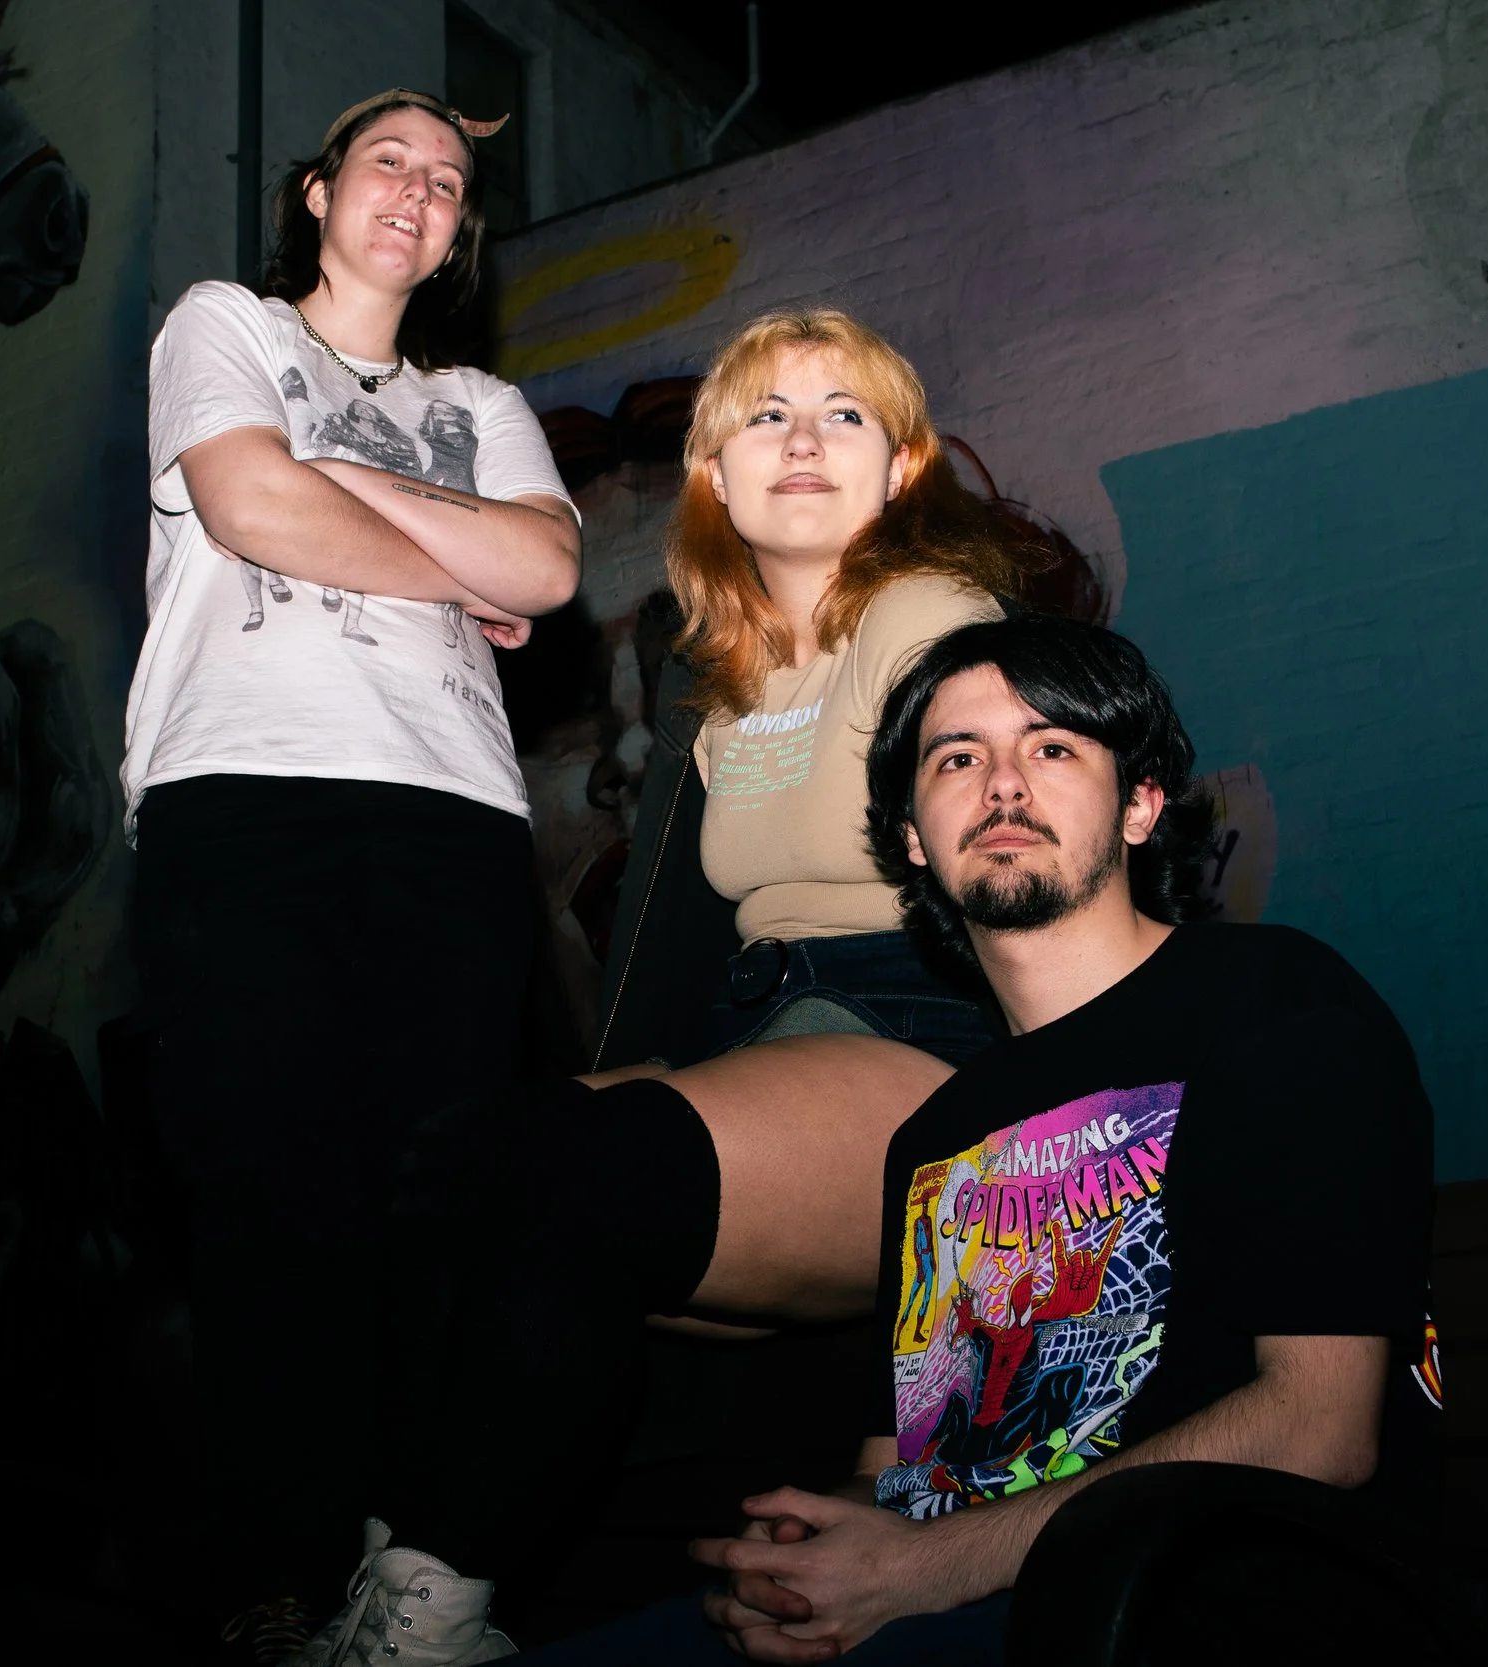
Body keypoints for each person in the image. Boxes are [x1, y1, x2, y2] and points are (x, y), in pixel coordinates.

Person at [283, 310, 1029, 1665]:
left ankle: (428, 1620)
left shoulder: (935, 618)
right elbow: (656, 948)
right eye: (767, 417)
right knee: (448, 1168)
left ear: (901, 469)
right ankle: (383, 1593)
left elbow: (1020, 865)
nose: (803, 439)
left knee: (567, 1160)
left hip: (907, 1031)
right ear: (721, 478)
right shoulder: (717, 672)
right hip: (757, 1033)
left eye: (844, 413)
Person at [513, 612, 1439, 1664]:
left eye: (1052, 747)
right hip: (955, 1604)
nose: (1003, 784)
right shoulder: (937, 1133)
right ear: (911, 836)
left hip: (1199, 1599)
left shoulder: (1276, 1002)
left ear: (1139, 806)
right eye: (958, 757)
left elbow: (1320, 1428)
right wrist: (813, 1547)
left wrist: (924, 1565)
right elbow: (901, 1462)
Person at [119, 88, 580, 1629]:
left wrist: (345, 490)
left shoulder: (485, 401)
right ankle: (281, 1574)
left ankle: (410, 1591)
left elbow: (550, 568)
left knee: (444, 1200)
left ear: (456, 236)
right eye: (391, 162)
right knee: (267, 1196)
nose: (420, 191)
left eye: (448, 183)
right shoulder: (224, 325)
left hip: (452, 812)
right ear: (319, 191)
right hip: (244, 790)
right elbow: (247, 501)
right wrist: (452, 560)